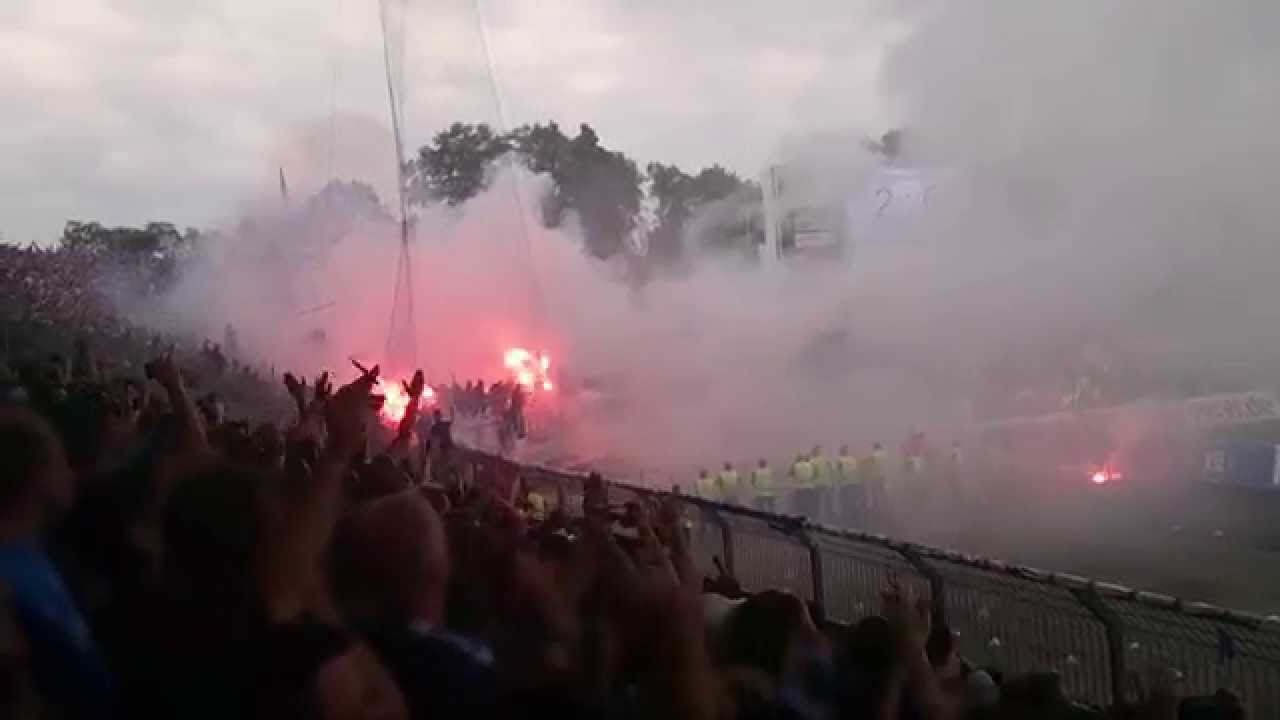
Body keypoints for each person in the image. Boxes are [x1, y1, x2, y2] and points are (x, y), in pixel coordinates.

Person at [837, 444, 864, 523]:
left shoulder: (839, 460)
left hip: (845, 483)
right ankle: (856, 516)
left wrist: (838, 481)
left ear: (841, 452)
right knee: (853, 499)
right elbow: (857, 470)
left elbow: (838, 472)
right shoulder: (853, 459)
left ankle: (847, 517)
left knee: (846, 500)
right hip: (854, 482)